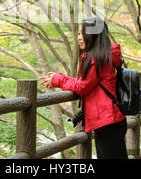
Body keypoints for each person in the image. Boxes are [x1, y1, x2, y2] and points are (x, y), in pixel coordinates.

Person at [40, 17, 128, 159]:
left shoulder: (96, 59)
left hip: (107, 120)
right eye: (79, 34)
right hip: (110, 118)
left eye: (82, 34)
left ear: (93, 36)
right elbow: (87, 82)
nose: (79, 38)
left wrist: (58, 80)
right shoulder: (104, 55)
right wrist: (60, 78)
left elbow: (82, 87)